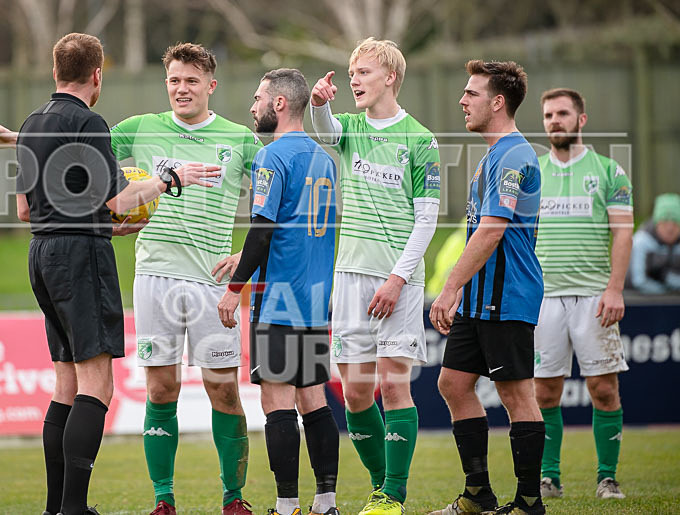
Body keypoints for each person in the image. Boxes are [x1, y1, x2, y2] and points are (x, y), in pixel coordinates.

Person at [0, 42, 258, 515]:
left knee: (222, 388)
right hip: (152, 277)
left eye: (190, 80)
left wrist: (247, 253)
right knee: (157, 389)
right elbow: (75, 147)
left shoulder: (239, 138)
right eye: (173, 80)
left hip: (209, 281)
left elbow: (276, 198)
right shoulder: (136, 128)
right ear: (99, 76)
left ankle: (233, 497)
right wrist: (167, 180)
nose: (181, 89)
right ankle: (161, 500)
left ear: (211, 84)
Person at [309, 37, 440, 515]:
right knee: (357, 392)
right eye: (351, 74)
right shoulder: (349, 128)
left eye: (363, 73)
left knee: (393, 386)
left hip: (398, 282)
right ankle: (382, 484)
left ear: (390, 78)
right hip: (350, 278)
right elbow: (324, 132)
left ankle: (393, 495)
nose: (354, 81)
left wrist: (397, 280)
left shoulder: (421, 140)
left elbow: (427, 219)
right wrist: (320, 105)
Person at [218, 68, 341, 515]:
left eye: (257, 98)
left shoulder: (271, 158)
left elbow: (264, 228)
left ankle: (286, 506)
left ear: (280, 104)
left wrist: (236, 288)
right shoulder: (324, 158)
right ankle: (326, 503)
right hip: (312, 297)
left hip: (280, 298)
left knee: (277, 401)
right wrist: (244, 259)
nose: (252, 107)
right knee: (313, 399)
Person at [428, 60, 545, 515]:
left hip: (507, 294)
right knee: (454, 384)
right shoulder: (491, 157)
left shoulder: (514, 154)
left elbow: (492, 230)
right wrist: (462, 289)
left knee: (518, 396)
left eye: (472, 93)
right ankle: (478, 495)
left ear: (498, 102)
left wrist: (449, 287)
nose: (462, 100)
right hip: (480, 299)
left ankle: (530, 502)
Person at [533, 88, 634, 501]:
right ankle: (549, 478)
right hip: (544, 298)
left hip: (595, 295)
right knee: (543, 392)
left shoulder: (610, 171)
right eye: (548, 115)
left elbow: (623, 232)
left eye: (562, 114)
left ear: (581, 119)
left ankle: (606, 477)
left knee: (603, 389)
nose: (554, 121)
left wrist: (614, 289)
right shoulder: (533, 172)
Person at [628, 193, 680, 293]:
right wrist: (667, 292)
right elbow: (639, 281)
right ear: (656, 223)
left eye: (675, 223)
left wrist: (668, 278)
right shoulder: (641, 241)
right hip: (635, 301)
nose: (670, 229)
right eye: (664, 222)